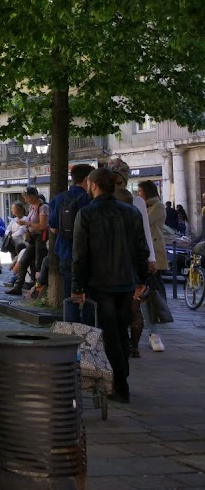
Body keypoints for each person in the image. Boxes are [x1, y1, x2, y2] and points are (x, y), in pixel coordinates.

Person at [71, 168, 149, 405]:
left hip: (101, 282)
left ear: (94, 186)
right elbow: (141, 249)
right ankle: (120, 381)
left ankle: (119, 384)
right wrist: (141, 280)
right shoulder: (131, 212)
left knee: (111, 333)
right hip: (125, 281)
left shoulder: (86, 214)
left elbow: (80, 255)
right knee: (120, 331)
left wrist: (77, 285)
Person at [47, 164, 93, 301]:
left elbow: (53, 228)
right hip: (87, 253)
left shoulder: (58, 198)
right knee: (88, 296)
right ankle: (87, 322)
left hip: (65, 250)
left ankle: (70, 320)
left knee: (69, 292)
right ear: (87, 179)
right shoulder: (90, 199)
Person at [132, 180, 167, 355]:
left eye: (140, 191)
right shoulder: (140, 204)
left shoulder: (158, 206)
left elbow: (144, 221)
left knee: (149, 291)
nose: (138, 194)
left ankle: (155, 331)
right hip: (142, 251)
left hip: (153, 252)